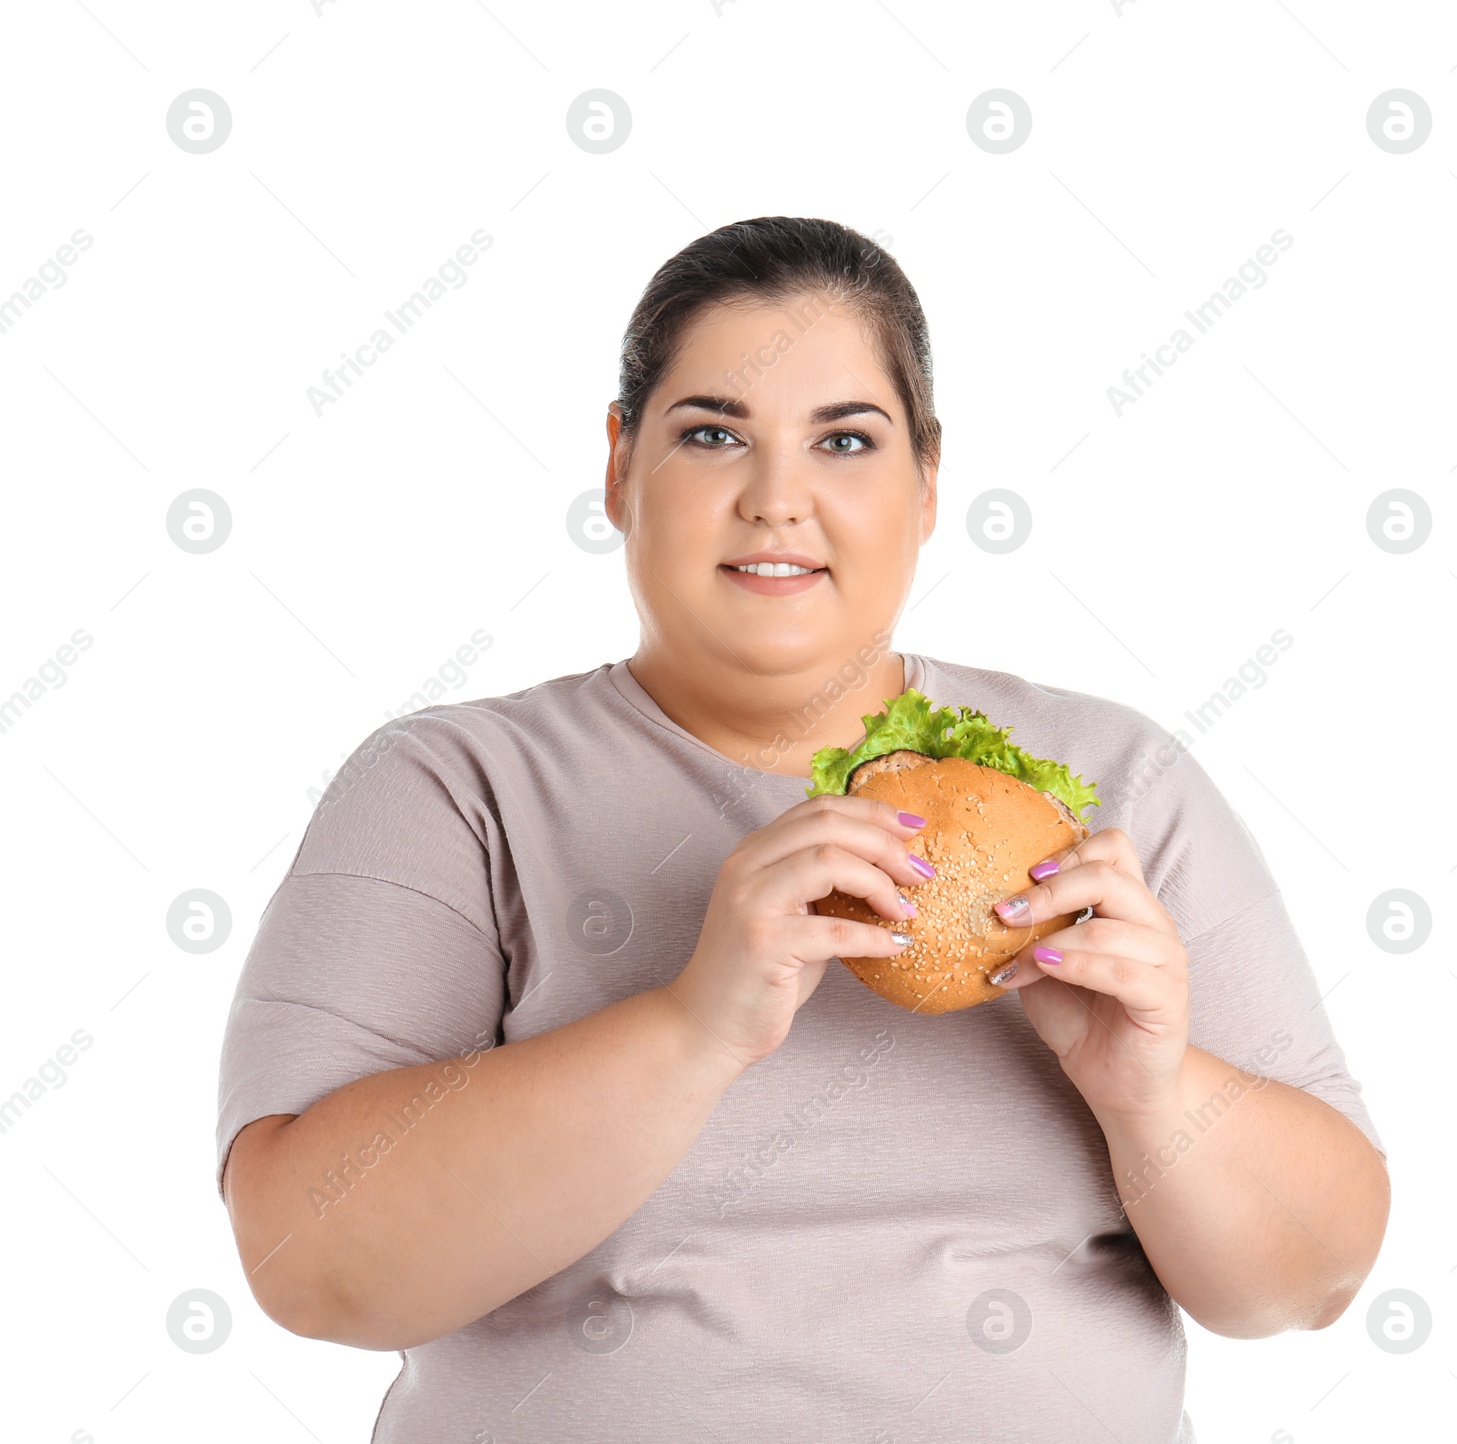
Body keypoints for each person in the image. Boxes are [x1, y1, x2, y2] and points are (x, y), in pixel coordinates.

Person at [216, 216, 1389, 1443]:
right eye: (712, 434)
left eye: (844, 441)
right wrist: (694, 1024)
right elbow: (311, 1265)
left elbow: (1306, 1283)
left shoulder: (1113, 789)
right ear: (619, 468)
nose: (777, 500)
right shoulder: (457, 787)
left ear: (928, 483)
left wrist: (1152, 1093)